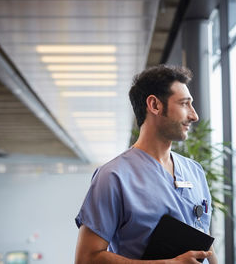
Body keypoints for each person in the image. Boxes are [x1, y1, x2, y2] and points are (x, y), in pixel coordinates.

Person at [75, 65, 217, 264]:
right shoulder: (113, 177)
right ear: (155, 105)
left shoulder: (195, 171)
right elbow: (87, 259)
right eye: (185, 104)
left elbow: (204, 239)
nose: (194, 115)